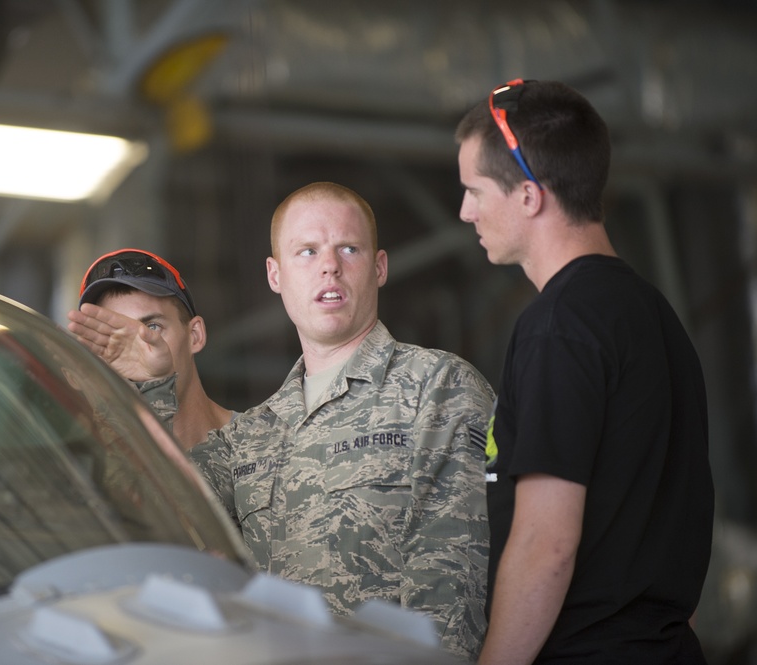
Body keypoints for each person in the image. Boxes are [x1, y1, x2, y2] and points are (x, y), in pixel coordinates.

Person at [136, 182, 494, 660]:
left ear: (380, 267)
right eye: (306, 251)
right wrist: (151, 381)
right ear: (275, 275)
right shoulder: (251, 434)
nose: (330, 265)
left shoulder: (437, 387)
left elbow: (451, 582)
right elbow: (162, 520)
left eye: (348, 248)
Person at [456, 79, 714, 664]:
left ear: (528, 195)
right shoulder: (655, 316)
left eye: (474, 190)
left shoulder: (559, 326)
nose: (465, 210)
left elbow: (546, 543)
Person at [67, 248, 233, 449]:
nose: (134, 351)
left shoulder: (265, 444)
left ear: (195, 336)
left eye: (152, 328)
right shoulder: (88, 467)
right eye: (112, 336)